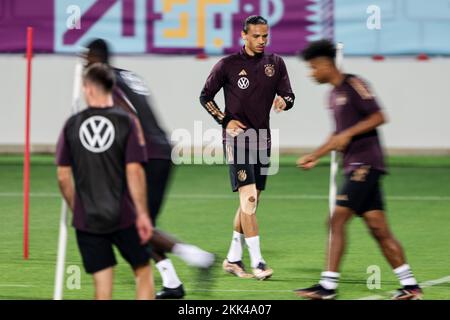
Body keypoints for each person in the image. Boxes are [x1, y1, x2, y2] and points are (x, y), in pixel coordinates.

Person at [83, 39, 215, 299]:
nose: (84, 66)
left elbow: (128, 117)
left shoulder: (104, 80)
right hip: (161, 150)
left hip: (147, 156)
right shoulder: (128, 76)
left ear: (95, 59)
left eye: (86, 59)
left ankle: (198, 257)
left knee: (131, 225)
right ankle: (172, 283)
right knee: (140, 225)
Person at [294, 39, 423, 300]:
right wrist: (316, 155)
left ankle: (328, 286)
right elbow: (338, 135)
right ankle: (410, 286)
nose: (311, 73)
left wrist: (349, 133)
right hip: (354, 165)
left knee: (336, 220)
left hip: (366, 164)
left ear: (325, 64)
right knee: (378, 228)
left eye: (313, 68)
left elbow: (378, 116)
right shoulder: (331, 96)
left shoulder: (354, 84)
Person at [199, 15, 295, 280]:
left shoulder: (275, 64)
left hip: (262, 140)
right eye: (256, 36)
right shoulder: (227, 65)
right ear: (244, 35)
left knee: (250, 204)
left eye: (265, 36)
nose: (261, 41)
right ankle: (259, 262)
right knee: (249, 200)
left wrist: (284, 102)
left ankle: (232, 259)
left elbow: (289, 95)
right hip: (236, 141)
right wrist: (225, 120)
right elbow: (205, 96)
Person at [56, 63, 155, 300]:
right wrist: (142, 214)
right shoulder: (126, 122)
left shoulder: (72, 124)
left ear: (88, 89)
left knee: (102, 289)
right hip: (124, 216)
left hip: (88, 219)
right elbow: (135, 172)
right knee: (143, 272)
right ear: (111, 87)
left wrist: (77, 209)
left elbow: (62, 176)